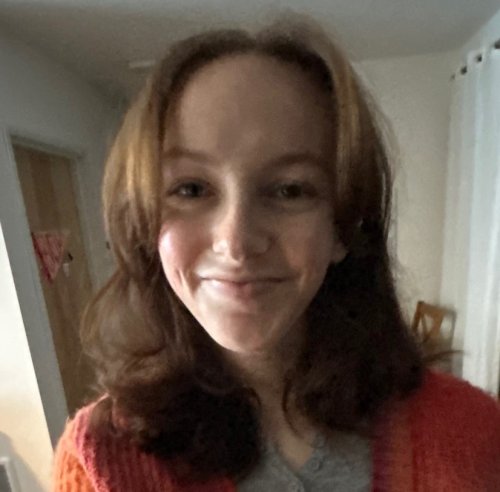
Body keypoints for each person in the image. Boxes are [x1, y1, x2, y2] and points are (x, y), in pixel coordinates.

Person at [53, 17, 500, 492]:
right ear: (144, 221)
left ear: (344, 227)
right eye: (191, 189)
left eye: (289, 190)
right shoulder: (97, 463)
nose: (236, 241)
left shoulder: (476, 434)